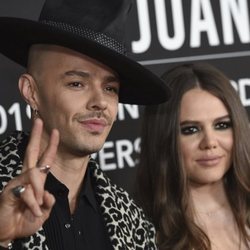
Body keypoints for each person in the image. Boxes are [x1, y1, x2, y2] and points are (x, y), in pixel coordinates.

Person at [0, 0, 170, 249]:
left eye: (110, 88)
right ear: (31, 91)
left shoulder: (134, 223)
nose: (100, 102)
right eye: (77, 83)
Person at [136, 63, 250, 250]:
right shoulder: (141, 229)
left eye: (221, 125)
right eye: (190, 129)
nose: (210, 142)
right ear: (163, 138)